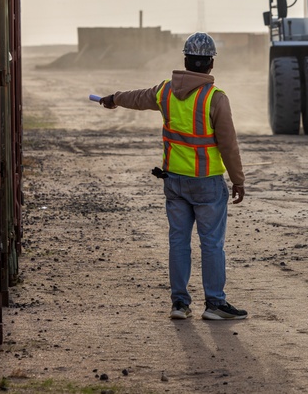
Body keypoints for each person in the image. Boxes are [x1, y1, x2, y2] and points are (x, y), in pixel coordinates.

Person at [97, 32, 248, 321]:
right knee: (211, 244)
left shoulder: (165, 91)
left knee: (178, 242)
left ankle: (179, 304)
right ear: (210, 65)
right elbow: (228, 144)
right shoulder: (215, 98)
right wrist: (238, 179)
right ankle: (215, 304)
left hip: (174, 182)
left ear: (185, 60)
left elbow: (137, 97)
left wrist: (113, 99)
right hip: (207, 184)